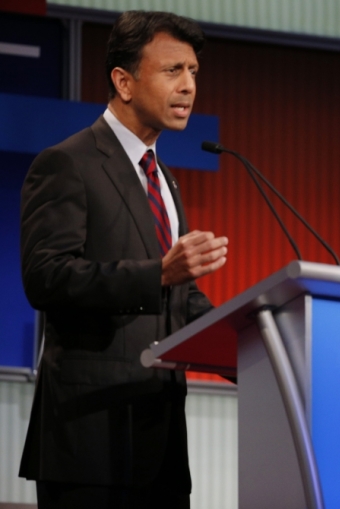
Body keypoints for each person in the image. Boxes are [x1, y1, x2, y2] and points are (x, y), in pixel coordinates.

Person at [18, 11, 228, 509]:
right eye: (172, 70)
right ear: (124, 82)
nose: (188, 86)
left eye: (194, 72)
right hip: (90, 442)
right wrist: (159, 273)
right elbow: (46, 277)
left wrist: (253, 342)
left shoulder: (164, 179)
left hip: (160, 445)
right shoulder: (68, 163)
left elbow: (178, 294)